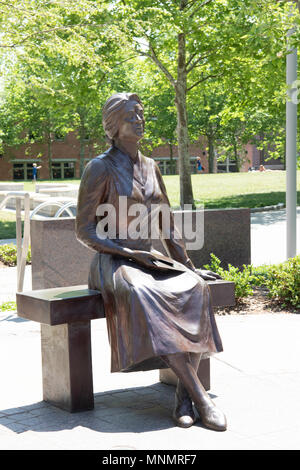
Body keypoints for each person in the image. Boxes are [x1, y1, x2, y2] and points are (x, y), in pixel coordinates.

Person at [75, 92, 227, 431]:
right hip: (114, 261)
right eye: (132, 115)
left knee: (196, 288)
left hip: (150, 259)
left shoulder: (151, 166)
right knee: (145, 295)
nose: (140, 120)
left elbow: (166, 224)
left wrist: (186, 265)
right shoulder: (98, 167)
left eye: (141, 114)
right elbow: (84, 231)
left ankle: (183, 397)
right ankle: (200, 398)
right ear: (113, 126)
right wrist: (129, 253)